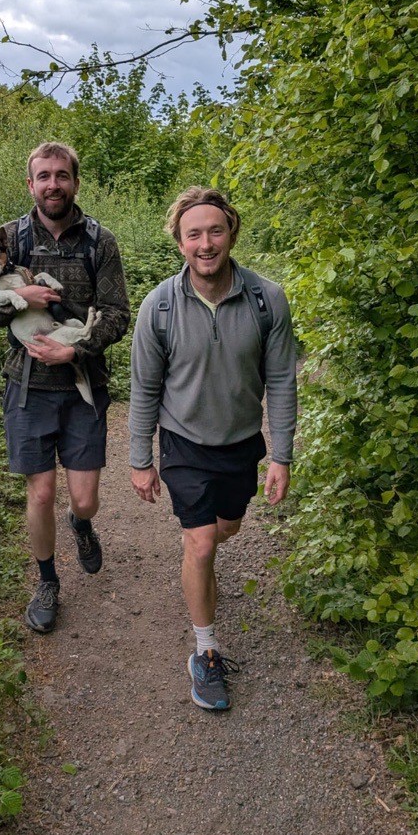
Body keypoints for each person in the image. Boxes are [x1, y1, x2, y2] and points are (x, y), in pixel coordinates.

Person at [129, 186, 297, 710]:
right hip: (183, 442)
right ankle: (205, 650)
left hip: (241, 443)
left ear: (231, 234)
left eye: (215, 231)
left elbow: (282, 382)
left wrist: (281, 454)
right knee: (201, 542)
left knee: (227, 528)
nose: (205, 243)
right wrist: (141, 458)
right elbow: (144, 388)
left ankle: (199, 553)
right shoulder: (158, 307)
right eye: (193, 233)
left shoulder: (267, 299)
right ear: (179, 242)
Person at [0, 141, 130, 634]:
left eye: (62, 175)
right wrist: (17, 297)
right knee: (39, 495)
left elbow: (119, 314)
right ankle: (47, 580)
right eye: (44, 176)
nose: (53, 184)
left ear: (75, 182)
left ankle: (81, 524)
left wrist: (75, 350)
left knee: (83, 498)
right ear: (30, 184)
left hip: (81, 382)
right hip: (27, 387)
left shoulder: (100, 241)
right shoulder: (7, 239)